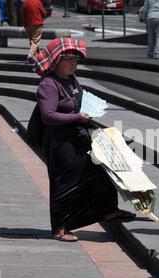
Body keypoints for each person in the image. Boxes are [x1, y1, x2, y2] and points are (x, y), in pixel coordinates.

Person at [34, 38, 135, 242]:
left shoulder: (72, 80)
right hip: (61, 142)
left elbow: (78, 106)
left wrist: (92, 122)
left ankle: (108, 210)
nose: (74, 64)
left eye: (76, 60)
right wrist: (78, 117)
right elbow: (48, 116)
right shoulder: (49, 85)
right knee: (65, 183)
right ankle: (60, 228)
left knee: (101, 169)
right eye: (69, 60)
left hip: (78, 137)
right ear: (56, 60)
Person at [22, 0, 47, 64]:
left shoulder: (25, 3)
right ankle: (29, 56)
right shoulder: (37, 2)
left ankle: (37, 57)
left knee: (32, 41)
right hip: (36, 24)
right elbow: (44, 13)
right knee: (35, 41)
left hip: (27, 25)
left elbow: (22, 13)